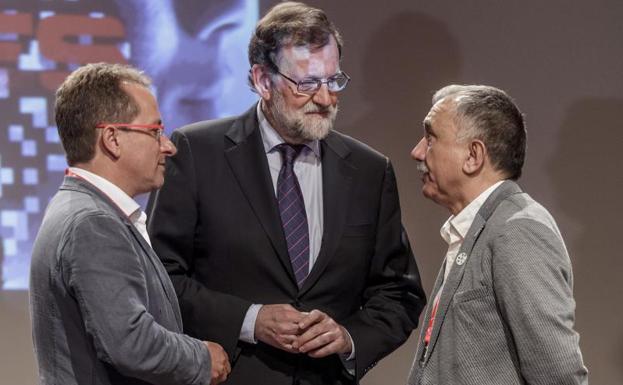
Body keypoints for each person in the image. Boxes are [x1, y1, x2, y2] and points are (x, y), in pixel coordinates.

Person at [147, 2, 426, 384]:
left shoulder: (369, 171)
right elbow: (159, 277)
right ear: (263, 81)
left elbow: (398, 295)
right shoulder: (198, 153)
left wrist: (348, 338)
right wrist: (251, 320)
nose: (326, 98)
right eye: (308, 83)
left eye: (334, 81)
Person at [29, 62, 230, 385]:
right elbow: (131, 343)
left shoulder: (79, 208)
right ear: (112, 138)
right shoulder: (92, 222)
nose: (168, 146)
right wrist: (202, 358)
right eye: (155, 131)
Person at [407, 85, 588, 385]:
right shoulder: (479, 227)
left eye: (430, 139)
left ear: (473, 156)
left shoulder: (517, 230)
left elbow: (559, 376)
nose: (417, 151)